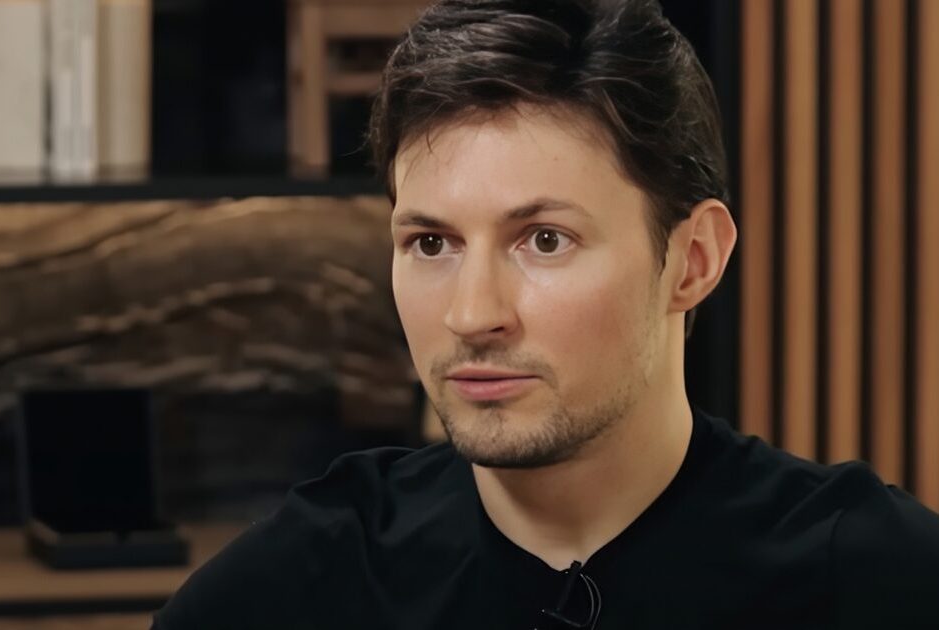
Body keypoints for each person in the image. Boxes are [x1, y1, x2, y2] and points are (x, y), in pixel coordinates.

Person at [152, 0, 939, 628]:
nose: (471, 314)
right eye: (432, 243)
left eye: (545, 240)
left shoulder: (874, 579)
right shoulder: (303, 583)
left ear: (693, 260)